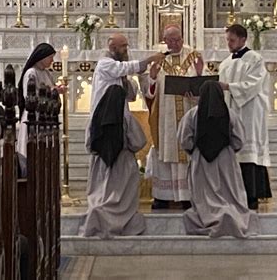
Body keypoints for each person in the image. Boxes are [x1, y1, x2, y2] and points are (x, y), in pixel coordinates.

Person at [177, 81, 259, 237]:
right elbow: (239, 139)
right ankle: (229, 213)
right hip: (226, 160)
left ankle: (208, 215)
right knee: (228, 192)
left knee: (205, 194)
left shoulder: (192, 114)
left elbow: (184, 139)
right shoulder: (230, 114)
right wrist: (228, 150)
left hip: (201, 159)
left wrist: (194, 151)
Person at [140, 25, 204, 210]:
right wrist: (151, 78)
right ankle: (163, 196)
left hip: (188, 112)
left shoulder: (194, 57)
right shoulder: (159, 60)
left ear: (182, 38)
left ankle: (187, 196)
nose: (175, 43)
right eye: (171, 40)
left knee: (187, 151)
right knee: (166, 153)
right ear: (164, 40)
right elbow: (149, 93)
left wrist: (200, 74)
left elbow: (205, 85)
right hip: (165, 119)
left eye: (178, 39)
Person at [80, 85, 146, 238]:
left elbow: (89, 145)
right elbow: (138, 142)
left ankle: (99, 215)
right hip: (123, 164)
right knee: (120, 200)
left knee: (101, 195)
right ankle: (118, 221)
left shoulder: (95, 118)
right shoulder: (127, 118)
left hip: (100, 164)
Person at [218, 24, 272, 210]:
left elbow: (253, 84)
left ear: (243, 39)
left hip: (249, 110)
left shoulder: (255, 59)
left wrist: (229, 87)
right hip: (232, 110)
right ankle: (234, 194)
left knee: (249, 151)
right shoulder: (225, 62)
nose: (229, 44)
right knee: (235, 152)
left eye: (232, 40)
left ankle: (252, 195)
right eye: (227, 40)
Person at [89, 33, 165, 116]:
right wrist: (149, 60)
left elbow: (131, 96)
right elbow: (123, 68)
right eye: (123, 46)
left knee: (136, 128)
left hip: (120, 112)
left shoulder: (121, 67)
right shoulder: (104, 63)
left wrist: (150, 76)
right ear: (113, 47)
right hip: (104, 113)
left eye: (126, 46)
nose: (126, 49)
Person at [17, 43, 63, 164]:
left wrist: (56, 91)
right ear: (42, 57)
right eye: (50, 57)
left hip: (45, 117)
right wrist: (54, 91)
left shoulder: (47, 73)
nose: (52, 61)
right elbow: (30, 96)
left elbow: (50, 90)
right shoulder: (31, 73)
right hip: (34, 116)